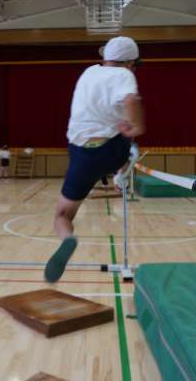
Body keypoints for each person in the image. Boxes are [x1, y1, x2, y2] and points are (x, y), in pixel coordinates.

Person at [44, 36, 145, 282]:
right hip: (110, 149)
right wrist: (138, 127)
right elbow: (131, 100)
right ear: (130, 63)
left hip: (81, 153)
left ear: (106, 58)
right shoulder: (124, 75)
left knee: (63, 215)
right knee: (127, 130)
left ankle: (67, 239)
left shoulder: (88, 72)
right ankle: (123, 170)